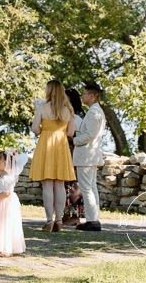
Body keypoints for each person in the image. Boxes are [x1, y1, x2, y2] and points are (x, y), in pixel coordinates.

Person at [29, 80, 77, 232]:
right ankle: (59, 220)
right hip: (61, 146)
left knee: (47, 185)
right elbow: (70, 133)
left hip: (46, 146)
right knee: (60, 185)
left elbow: (35, 129)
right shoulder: (68, 110)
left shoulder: (42, 107)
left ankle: (49, 220)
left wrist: (45, 127)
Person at [73, 83, 106, 232]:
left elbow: (90, 135)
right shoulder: (95, 111)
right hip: (90, 155)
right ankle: (93, 218)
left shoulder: (94, 112)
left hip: (86, 155)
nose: (82, 97)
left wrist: (74, 140)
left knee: (87, 188)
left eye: (85, 94)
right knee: (91, 188)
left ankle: (92, 221)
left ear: (92, 95)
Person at [0, 150, 28, 257]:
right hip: (0, 204)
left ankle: (7, 248)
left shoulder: (7, 177)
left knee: (5, 225)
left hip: (4, 204)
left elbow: (7, 193)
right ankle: (0, 246)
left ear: (5, 163)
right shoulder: (5, 176)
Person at [62, 88, 86, 226]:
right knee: (67, 182)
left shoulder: (78, 116)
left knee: (73, 183)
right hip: (68, 150)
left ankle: (74, 215)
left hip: (73, 151)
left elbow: (78, 135)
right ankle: (66, 213)